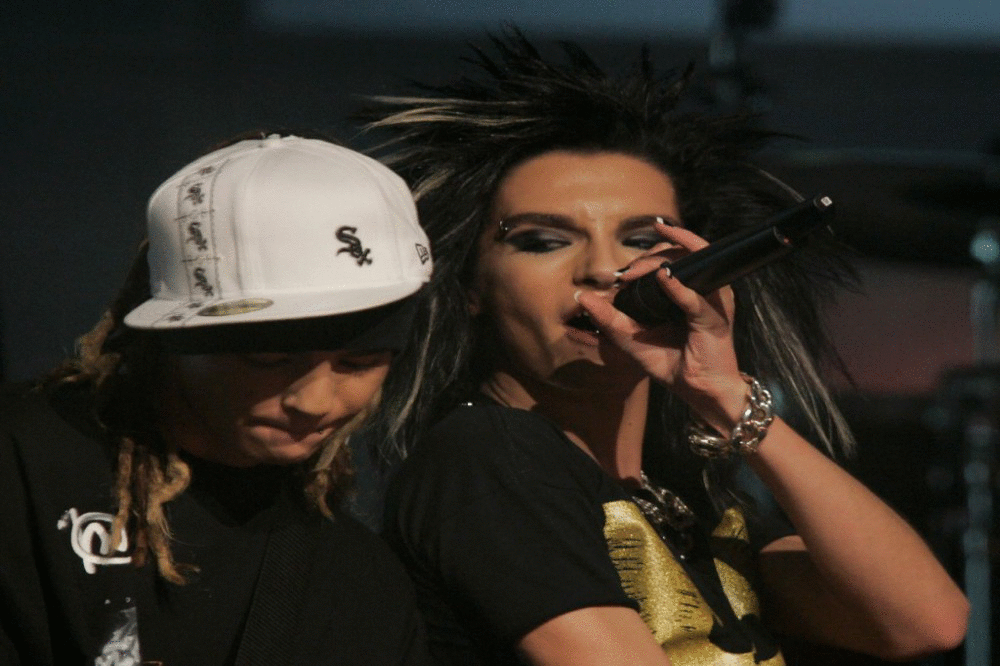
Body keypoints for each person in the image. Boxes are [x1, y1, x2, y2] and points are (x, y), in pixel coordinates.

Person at [364, 32, 970, 666]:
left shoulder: (682, 499)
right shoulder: (487, 454)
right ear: (470, 287)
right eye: (544, 241)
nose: (602, 269)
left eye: (639, 241)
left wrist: (729, 401)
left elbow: (927, 621)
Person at [0, 133, 433, 665]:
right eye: (270, 359)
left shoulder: (359, 581)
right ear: (174, 338)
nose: (316, 401)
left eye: (360, 362)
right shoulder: (23, 469)